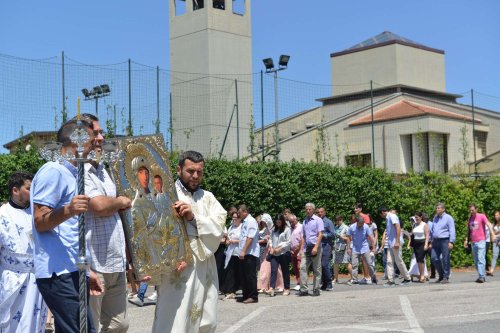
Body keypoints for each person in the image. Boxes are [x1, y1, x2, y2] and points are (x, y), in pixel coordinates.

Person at [31, 118, 102, 333]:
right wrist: (68, 210)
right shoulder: (53, 171)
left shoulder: (73, 173)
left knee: (84, 329)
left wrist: (86, 269)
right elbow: (40, 222)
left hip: (70, 267)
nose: (96, 144)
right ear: (76, 143)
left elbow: (70, 231)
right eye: (91, 141)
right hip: (56, 272)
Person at [152, 151, 226, 333]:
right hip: (176, 265)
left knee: (206, 315)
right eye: (190, 171)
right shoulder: (165, 194)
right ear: (178, 169)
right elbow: (152, 229)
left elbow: (220, 227)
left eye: (199, 172)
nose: (195, 176)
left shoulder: (208, 197)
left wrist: (193, 217)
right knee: (175, 316)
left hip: (204, 264)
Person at [78, 114, 131, 332]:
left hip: (115, 261)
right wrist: (120, 201)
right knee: (89, 326)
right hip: (94, 263)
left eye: (102, 133)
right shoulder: (79, 170)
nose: (101, 137)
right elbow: (99, 206)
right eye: (96, 133)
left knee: (120, 324)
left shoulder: (103, 170)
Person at [0, 172, 48, 332]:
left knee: (34, 325)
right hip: (12, 281)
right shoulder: (2, 214)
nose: (34, 191)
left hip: (36, 280)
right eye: (29, 188)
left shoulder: (37, 214)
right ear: (15, 190)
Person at [378, 207, 411, 286]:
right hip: (390, 243)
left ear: (382, 212)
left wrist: (397, 241)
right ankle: (391, 280)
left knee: (399, 261)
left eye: (380, 214)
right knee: (389, 261)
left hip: (395, 243)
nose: (381, 216)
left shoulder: (392, 216)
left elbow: (398, 228)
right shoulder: (388, 218)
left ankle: (407, 278)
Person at [464, 204, 494, 283]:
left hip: (481, 241)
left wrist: (493, 234)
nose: (471, 212)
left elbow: (489, 224)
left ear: (476, 209)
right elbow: (468, 231)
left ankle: (481, 277)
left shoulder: (482, 216)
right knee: (476, 260)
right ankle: (481, 275)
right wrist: (466, 240)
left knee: (481, 258)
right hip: (473, 242)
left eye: (473, 210)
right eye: (470, 210)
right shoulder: (470, 218)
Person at [298, 203, 324, 297]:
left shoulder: (318, 220)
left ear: (313, 210)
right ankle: (304, 289)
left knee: (316, 269)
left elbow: (320, 234)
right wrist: (301, 249)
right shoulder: (305, 221)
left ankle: (316, 289)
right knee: (302, 267)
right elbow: (304, 236)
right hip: (307, 247)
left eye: (310, 209)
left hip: (315, 246)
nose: (308, 211)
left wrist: (316, 247)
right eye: (307, 209)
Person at [237, 204, 260, 304]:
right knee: (243, 275)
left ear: (245, 211)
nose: (239, 214)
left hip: (249, 253)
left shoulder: (251, 221)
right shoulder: (245, 221)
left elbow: (250, 238)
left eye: (240, 212)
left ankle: (253, 296)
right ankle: (246, 295)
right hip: (245, 253)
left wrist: (243, 251)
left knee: (250, 276)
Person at [257, 214, 283, 294]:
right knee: (264, 268)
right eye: (263, 222)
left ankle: (279, 285)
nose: (264, 223)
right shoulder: (265, 229)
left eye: (265, 222)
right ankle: (263, 286)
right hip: (266, 250)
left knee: (275, 269)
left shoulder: (273, 229)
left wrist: (269, 240)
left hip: (273, 250)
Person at [346, 215, 376, 285]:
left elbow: (371, 237)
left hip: (365, 247)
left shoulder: (366, 226)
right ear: (356, 222)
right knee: (354, 265)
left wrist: (373, 247)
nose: (361, 225)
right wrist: (348, 248)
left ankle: (373, 278)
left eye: (362, 223)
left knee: (369, 263)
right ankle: (355, 279)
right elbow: (348, 238)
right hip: (355, 248)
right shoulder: (352, 227)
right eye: (360, 224)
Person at [430, 202, 456, 284]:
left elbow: (452, 230)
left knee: (445, 259)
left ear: (443, 209)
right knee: (434, 258)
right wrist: (431, 240)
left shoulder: (448, 218)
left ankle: (446, 276)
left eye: (439, 208)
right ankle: (441, 275)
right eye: (436, 208)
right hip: (435, 241)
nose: (437, 209)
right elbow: (433, 229)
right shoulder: (435, 218)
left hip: (445, 240)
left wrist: (451, 241)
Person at [268, 214, 291, 297]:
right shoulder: (273, 229)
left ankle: (287, 288)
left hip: (284, 253)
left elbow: (288, 242)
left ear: (282, 221)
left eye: (279, 222)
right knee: (273, 270)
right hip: (274, 253)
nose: (278, 223)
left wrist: (280, 248)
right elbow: (270, 239)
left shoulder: (287, 229)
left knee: (285, 271)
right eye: (276, 222)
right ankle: (272, 288)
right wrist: (270, 246)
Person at [222, 210, 242, 300]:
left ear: (239, 218)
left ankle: (234, 290)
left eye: (235, 218)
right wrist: (227, 241)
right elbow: (228, 238)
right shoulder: (231, 227)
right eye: (233, 218)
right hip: (230, 252)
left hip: (238, 252)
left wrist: (235, 241)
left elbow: (245, 240)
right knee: (230, 272)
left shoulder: (242, 227)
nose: (233, 219)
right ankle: (230, 291)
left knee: (238, 272)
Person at [407, 213, 430, 283]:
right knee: (418, 260)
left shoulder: (424, 225)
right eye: (415, 217)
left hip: (422, 243)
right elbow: (413, 234)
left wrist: (426, 245)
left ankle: (422, 275)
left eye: (417, 217)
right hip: (416, 243)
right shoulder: (414, 225)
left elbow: (427, 235)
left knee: (421, 259)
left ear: (421, 217)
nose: (416, 219)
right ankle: (420, 274)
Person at [317, 207, 335, 291]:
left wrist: (323, 235)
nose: (320, 213)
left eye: (321, 212)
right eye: (318, 212)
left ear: (325, 212)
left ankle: (329, 283)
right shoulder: (317, 221)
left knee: (324, 264)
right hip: (318, 246)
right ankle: (324, 284)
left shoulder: (328, 222)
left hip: (326, 245)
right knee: (320, 266)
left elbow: (333, 234)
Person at [333, 215, 352, 284]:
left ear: (342, 220)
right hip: (337, 246)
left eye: (339, 220)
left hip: (344, 247)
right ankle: (335, 279)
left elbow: (349, 238)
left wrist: (348, 248)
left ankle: (353, 278)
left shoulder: (346, 227)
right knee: (335, 263)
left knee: (346, 262)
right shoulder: (335, 228)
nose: (337, 222)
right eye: (336, 220)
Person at [289, 214, 303, 291]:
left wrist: (298, 250)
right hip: (292, 251)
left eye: (292, 221)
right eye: (290, 222)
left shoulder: (301, 227)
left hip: (299, 251)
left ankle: (302, 283)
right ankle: (298, 283)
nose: (291, 223)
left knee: (299, 267)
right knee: (295, 268)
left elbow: (302, 240)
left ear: (296, 219)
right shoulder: (290, 228)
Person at [489, 211, 500, 275]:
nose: (496, 216)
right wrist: (492, 238)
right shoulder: (493, 224)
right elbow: (492, 233)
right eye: (495, 215)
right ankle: (491, 270)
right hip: (496, 241)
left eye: (497, 215)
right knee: (494, 255)